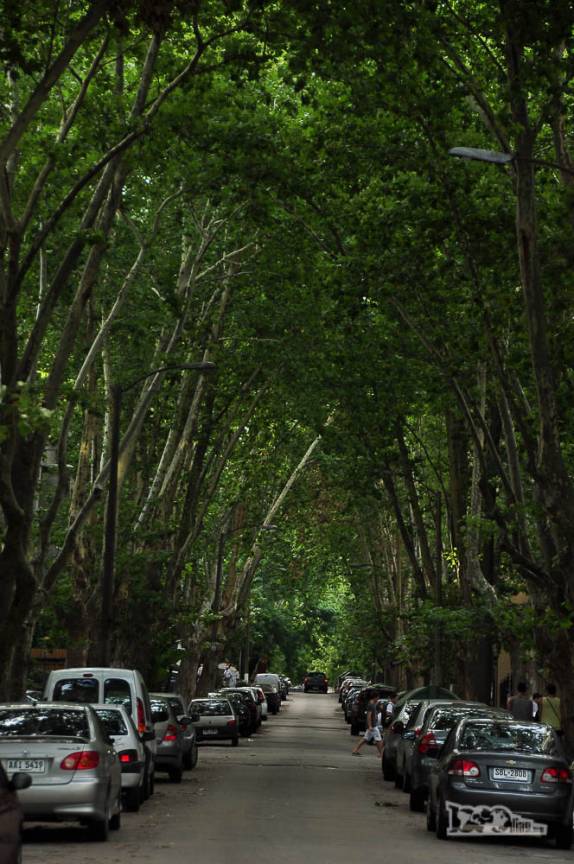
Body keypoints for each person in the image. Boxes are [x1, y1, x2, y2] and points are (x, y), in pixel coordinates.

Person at [352, 693, 384, 757]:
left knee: (365, 738)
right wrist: (370, 725)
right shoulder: (371, 705)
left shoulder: (373, 704)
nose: (378, 699)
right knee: (379, 740)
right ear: (375, 697)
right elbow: (369, 716)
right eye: (377, 697)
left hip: (372, 725)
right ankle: (382, 754)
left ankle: (355, 750)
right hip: (372, 726)